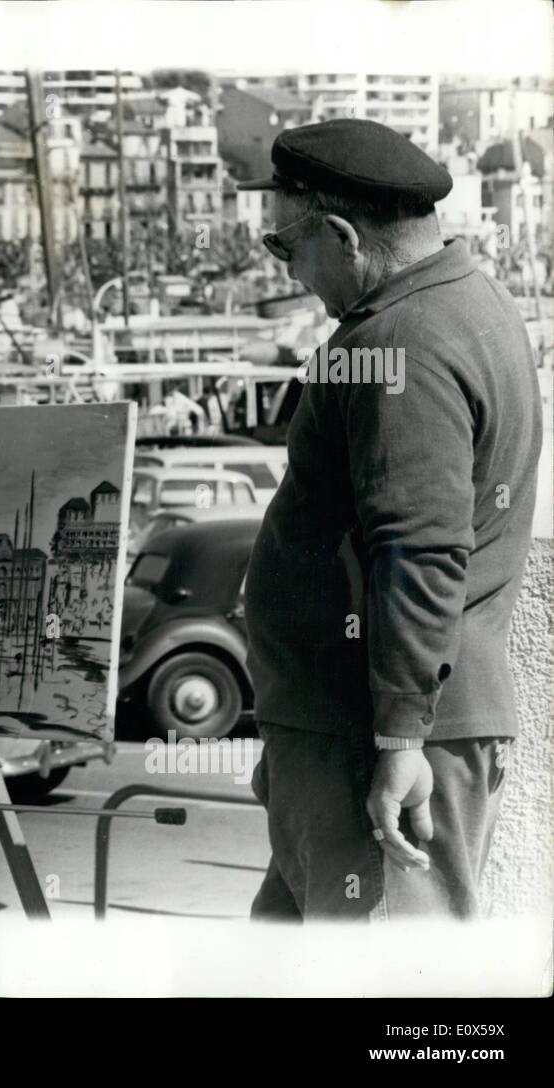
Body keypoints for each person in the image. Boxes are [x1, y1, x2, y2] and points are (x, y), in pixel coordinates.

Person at [238, 120, 542, 921]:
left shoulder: (400, 341)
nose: (292, 272)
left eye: (285, 248)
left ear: (342, 236)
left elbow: (422, 550)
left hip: (376, 737)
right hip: (347, 729)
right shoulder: (463, 302)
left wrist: (399, 744)